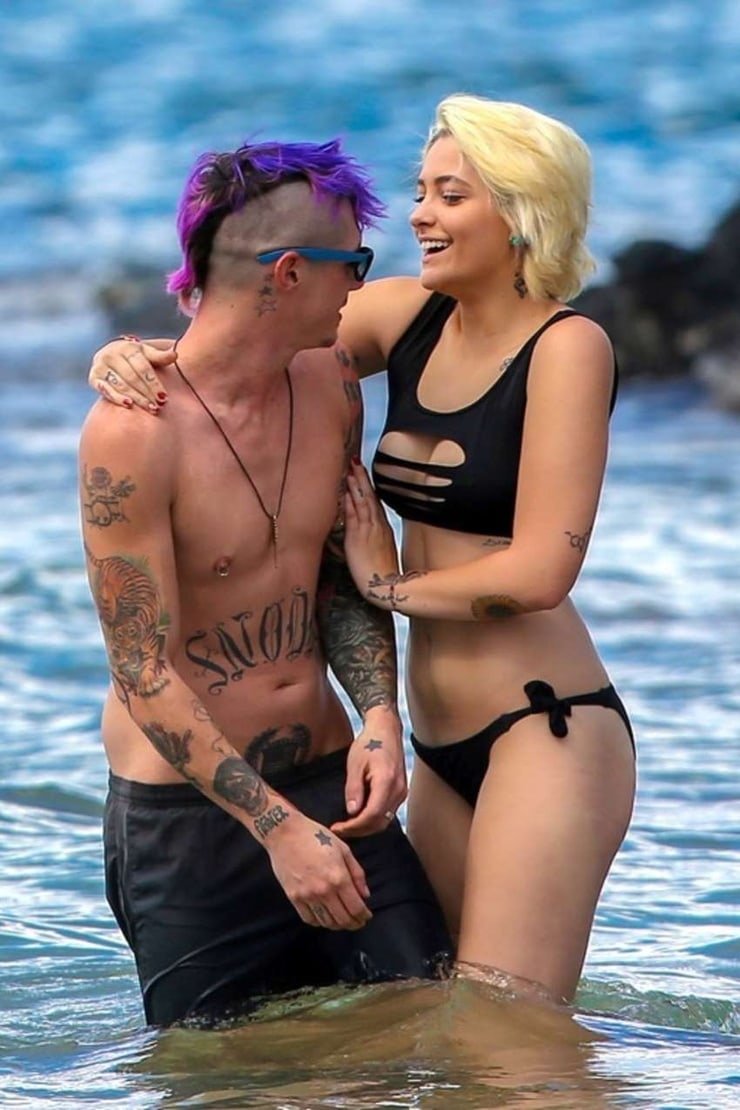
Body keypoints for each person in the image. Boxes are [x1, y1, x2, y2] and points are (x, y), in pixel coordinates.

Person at [88, 95, 636, 1006]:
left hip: (541, 721)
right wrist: (123, 354)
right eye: (421, 192)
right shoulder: (407, 318)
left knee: (504, 1028)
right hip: (427, 747)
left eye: (449, 195)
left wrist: (387, 591)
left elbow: (542, 571)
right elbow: (244, 325)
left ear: (521, 214)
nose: (418, 216)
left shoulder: (565, 346)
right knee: (426, 1031)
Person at [79, 138, 452, 1027]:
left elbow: (336, 578)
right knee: (224, 1079)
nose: (359, 283)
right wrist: (277, 830)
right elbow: (142, 670)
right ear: (289, 273)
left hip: (335, 787)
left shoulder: (331, 381)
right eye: (351, 263)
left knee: (434, 1035)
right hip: (190, 822)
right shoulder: (135, 433)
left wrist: (381, 719)